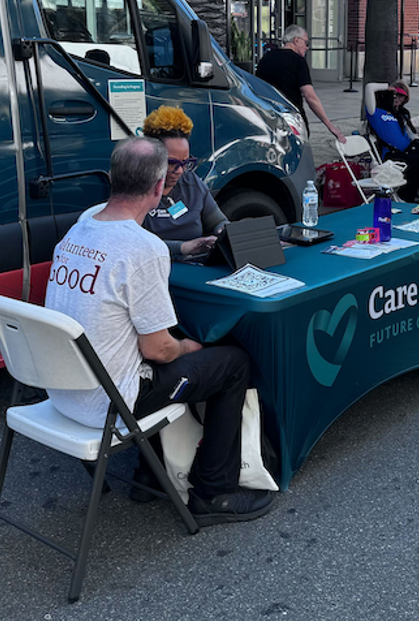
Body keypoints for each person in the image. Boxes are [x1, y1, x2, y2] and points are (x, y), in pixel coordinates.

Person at [44, 137, 273, 526]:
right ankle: (211, 492)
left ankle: (149, 472)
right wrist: (193, 345)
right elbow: (159, 351)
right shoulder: (142, 247)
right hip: (110, 404)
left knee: (143, 353)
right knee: (232, 361)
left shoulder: (80, 227)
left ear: (113, 180)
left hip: (61, 391)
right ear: (155, 188)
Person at [141, 105, 226, 260]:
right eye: (172, 163)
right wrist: (182, 247)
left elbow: (218, 221)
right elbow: (133, 244)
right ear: (152, 157)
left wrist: (223, 232)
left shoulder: (192, 183)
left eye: (185, 162)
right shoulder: (136, 190)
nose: (180, 171)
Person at [256, 26, 345, 142]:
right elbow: (310, 97)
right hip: (291, 119)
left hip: (268, 118)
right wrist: (330, 125)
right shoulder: (297, 61)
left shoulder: (266, 59)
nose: (307, 47)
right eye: (306, 42)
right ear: (296, 40)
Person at [366, 86, 419, 203]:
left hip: (407, 150)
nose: (395, 99)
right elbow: (369, 87)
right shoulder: (375, 113)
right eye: (393, 96)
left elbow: (410, 134)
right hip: (392, 154)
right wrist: (387, 86)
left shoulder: (398, 114)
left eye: (399, 96)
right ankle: (405, 196)